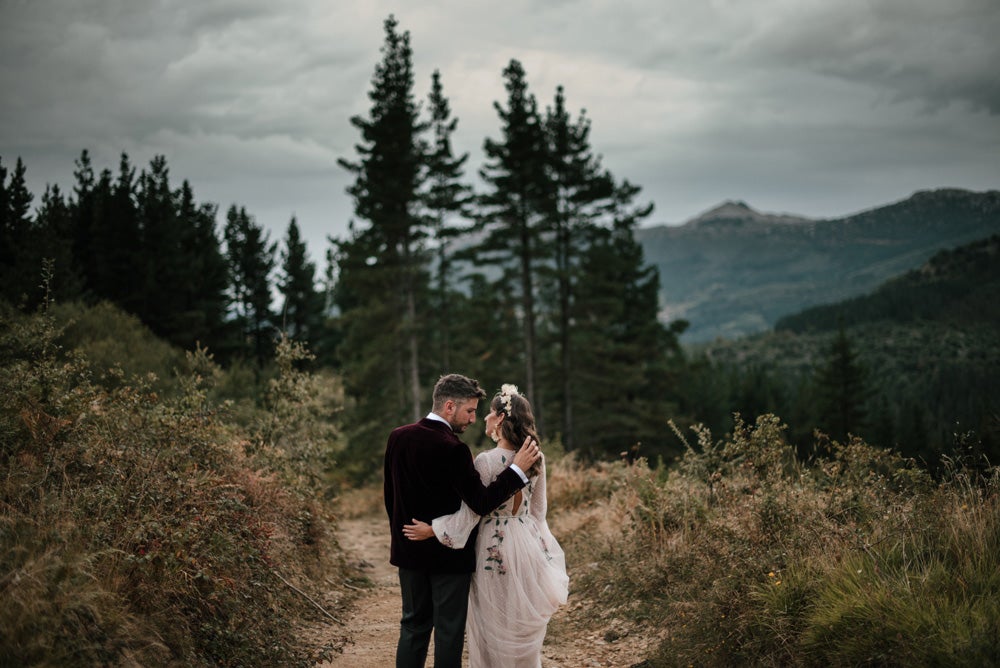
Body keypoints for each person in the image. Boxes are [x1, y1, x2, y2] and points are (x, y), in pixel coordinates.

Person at [403, 384, 568, 668]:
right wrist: (542, 550)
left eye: (489, 413)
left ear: (501, 419)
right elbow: (539, 513)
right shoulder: (537, 458)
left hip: (493, 545)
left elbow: (473, 512)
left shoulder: (486, 461)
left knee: (491, 622)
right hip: (526, 544)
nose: (483, 419)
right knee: (516, 620)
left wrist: (434, 529)